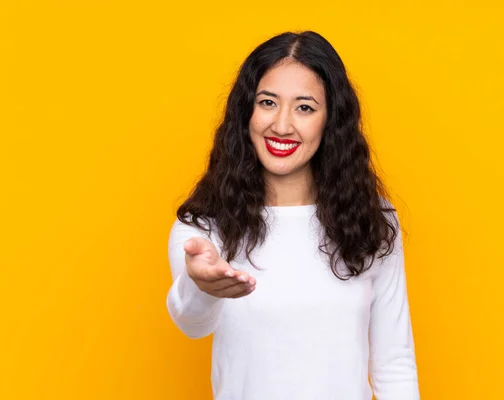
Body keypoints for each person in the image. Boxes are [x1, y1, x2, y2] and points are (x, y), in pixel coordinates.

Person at [166, 30, 420, 400]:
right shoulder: (205, 225)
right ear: (245, 111)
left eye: (304, 107)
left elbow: (394, 362)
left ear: (330, 121)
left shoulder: (372, 221)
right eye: (268, 102)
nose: (282, 125)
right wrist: (201, 287)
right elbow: (192, 324)